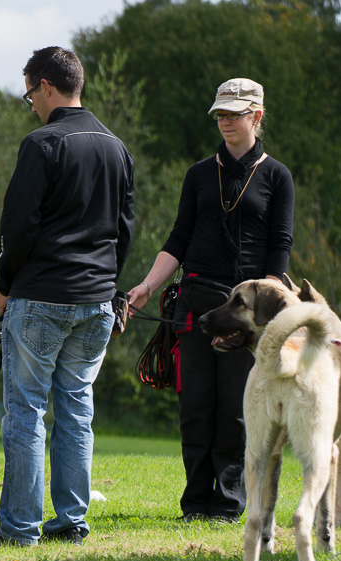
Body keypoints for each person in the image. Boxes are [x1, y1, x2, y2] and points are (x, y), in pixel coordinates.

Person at [0, 46, 134, 546]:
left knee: (25, 411)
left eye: (30, 95)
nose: (32, 106)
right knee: (76, 410)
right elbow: (125, 229)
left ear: (46, 86)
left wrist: (4, 284)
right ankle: (70, 521)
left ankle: (20, 527)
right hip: (96, 301)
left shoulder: (41, 144)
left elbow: (18, 227)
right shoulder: (116, 147)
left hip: (42, 295)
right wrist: (109, 285)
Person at [127, 78, 294, 523]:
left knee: (238, 411)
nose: (225, 122)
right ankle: (195, 502)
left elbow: (280, 250)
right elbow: (178, 238)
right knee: (195, 408)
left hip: (247, 311)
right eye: (220, 114)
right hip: (197, 303)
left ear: (257, 116)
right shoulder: (199, 174)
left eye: (234, 114)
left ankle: (227, 503)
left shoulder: (277, 176)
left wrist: (272, 312)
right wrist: (146, 285)